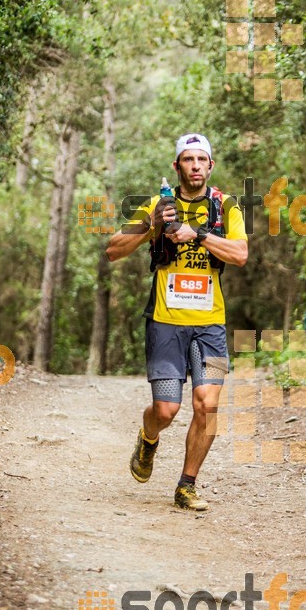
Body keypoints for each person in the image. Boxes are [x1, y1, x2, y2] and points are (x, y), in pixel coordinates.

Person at [106, 133, 248, 510]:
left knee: (208, 406)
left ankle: (187, 485)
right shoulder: (158, 204)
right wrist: (150, 226)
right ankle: (148, 437)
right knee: (166, 410)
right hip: (165, 322)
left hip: (211, 326)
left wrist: (198, 234)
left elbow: (240, 254)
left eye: (202, 160)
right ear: (177, 166)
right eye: (189, 159)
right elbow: (112, 250)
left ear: (211, 166)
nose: (196, 166)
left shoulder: (226, 206)